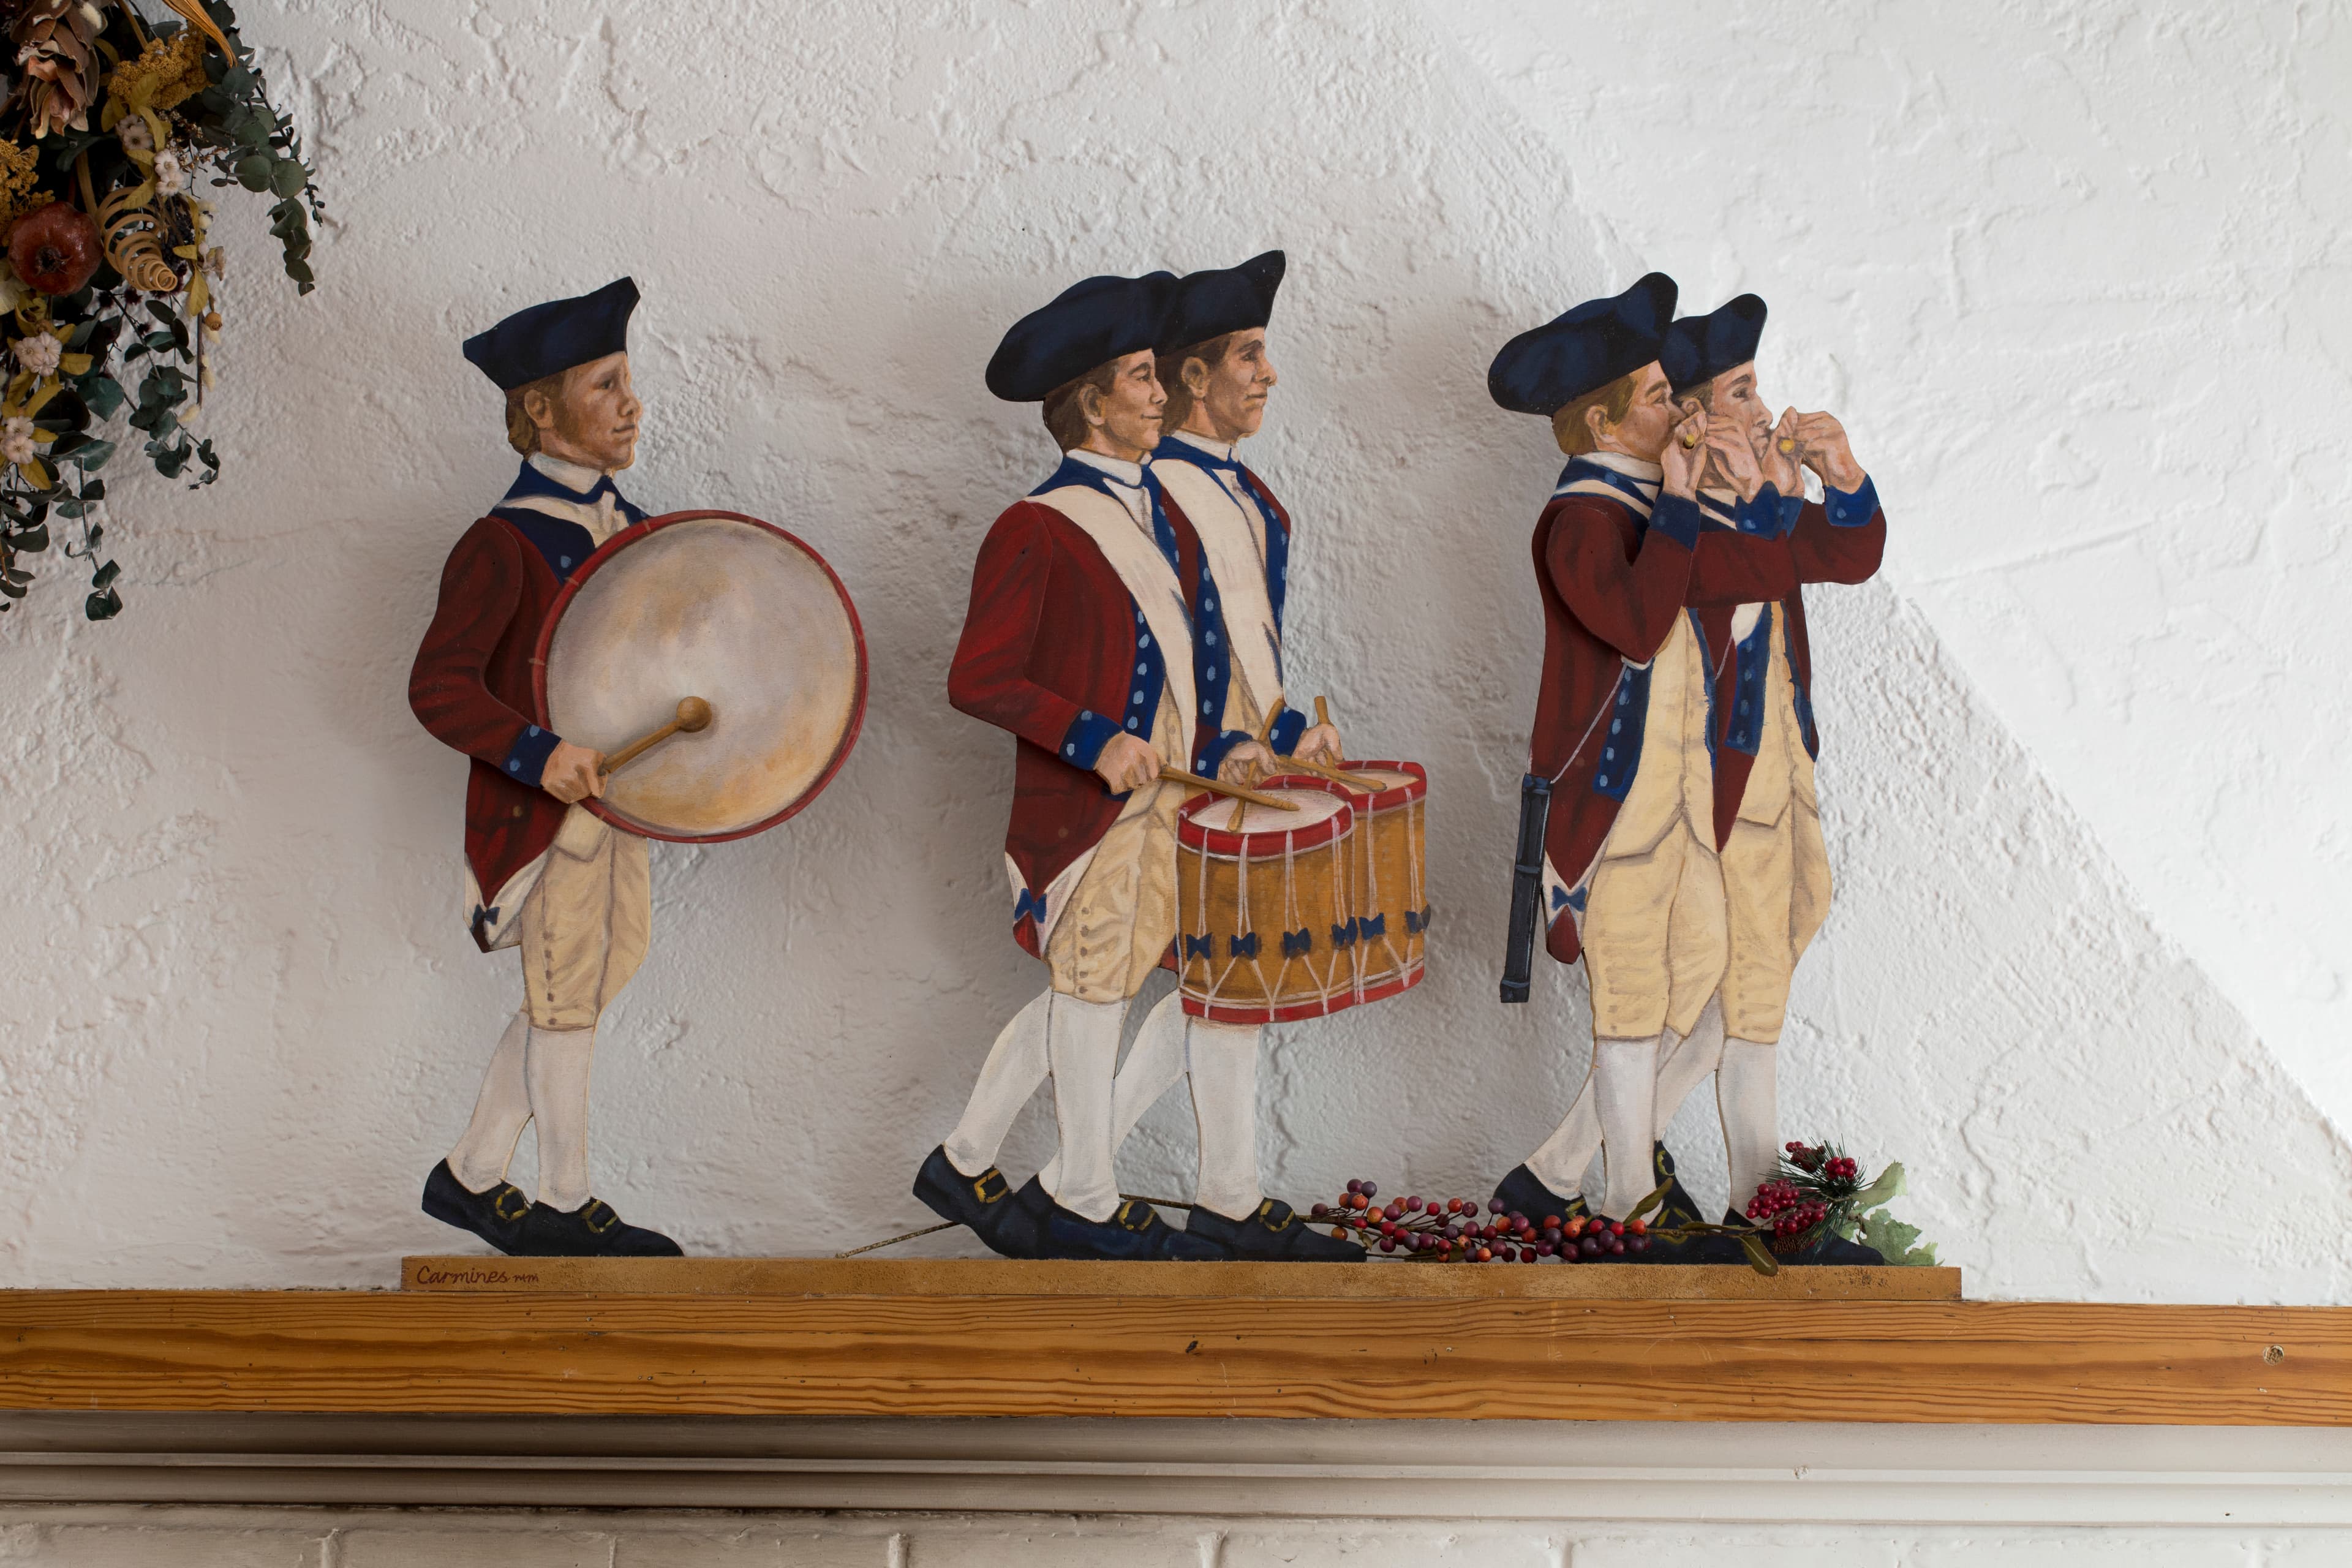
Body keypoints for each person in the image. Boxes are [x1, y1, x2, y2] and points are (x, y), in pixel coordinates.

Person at [1031, 251, 1359, 1261]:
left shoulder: (1215, 499)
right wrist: (1128, 740)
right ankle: (1050, 1184)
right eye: (1248, 356)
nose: (1267, 375)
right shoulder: (1105, 508)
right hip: (1147, 789)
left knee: (1226, 985)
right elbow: (1154, 660)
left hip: (1219, 771)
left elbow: (1229, 652)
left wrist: (1278, 733)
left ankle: (1213, 1192)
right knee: (1114, 985)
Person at [910, 270, 1222, 1261]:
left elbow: (1198, 660)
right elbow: (980, 677)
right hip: (1092, 809)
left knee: (1143, 986)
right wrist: (1095, 739)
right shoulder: (1035, 527)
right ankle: (1084, 1195)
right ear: (1092, 403)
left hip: (1176, 797)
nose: (1160, 393)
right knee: (1091, 991)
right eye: (1140, 377)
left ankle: (963, 1160)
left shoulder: (1169, 519)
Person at [1482, 276, 1797, 1243]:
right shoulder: (1579, 520)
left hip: (1680, 797)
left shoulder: (1660, 502)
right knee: (1629, 1007)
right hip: (1609, 806)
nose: (1679, 408)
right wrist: (1681, 505)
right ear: (1604, 422)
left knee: (1707, 985)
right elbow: (1638, 623)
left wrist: (1763, 499)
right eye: (1660, 397)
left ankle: (1559, 1172)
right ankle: (1626, 1205)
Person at [409, 277, 681, 1258]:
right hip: (549, 819)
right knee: (567, 997)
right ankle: (565, 1201)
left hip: (627, 810)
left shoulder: (637, 527)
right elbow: (440, 688)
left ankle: (473, 1173)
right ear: (539, 409)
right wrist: (538, 753)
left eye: (627, 381)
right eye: (605, 384)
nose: (631, 403)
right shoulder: (503, 543)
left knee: (605, 972)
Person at [1654, 295, 1887, 1256]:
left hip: (1783, 760)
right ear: (1698, 419)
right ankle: (1753, 1195)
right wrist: (1760, 491)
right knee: (1745, 983)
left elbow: (1850, 555)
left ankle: (1598, 1149)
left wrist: (1841, 478)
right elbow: (1747, 572)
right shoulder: (1688, 526)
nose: (1764, 408)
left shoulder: (1754, 513)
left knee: (1787, 934)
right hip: (1722, 780)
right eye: (1743, 392)